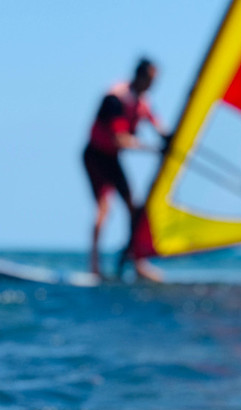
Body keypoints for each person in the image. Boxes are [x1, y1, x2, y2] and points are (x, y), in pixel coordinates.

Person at [84, 58, 168, 280]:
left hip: (112, 158)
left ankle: (137, 262)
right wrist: (153, 148)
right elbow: (120, 139)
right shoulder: (116, 98)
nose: (152, 85)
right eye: (150, 80)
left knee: (134, 208)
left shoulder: (143, 102)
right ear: (140, 77)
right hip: (95, 155)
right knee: (104, 208)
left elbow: (160, 128)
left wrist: (171, 141)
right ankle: (94, 267)